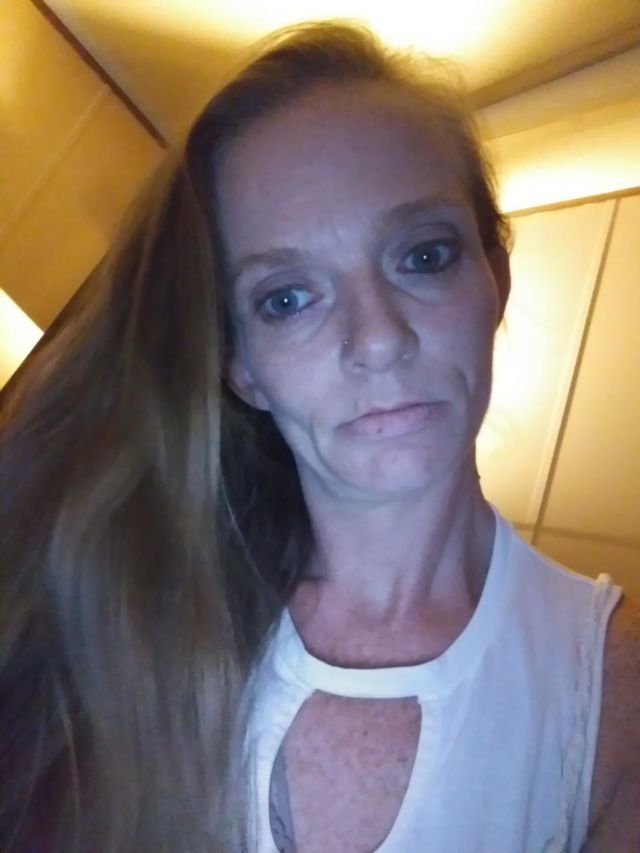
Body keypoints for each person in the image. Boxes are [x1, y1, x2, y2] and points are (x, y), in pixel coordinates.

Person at [0, 20, 638, 853]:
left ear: (496, 279)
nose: (378, 338)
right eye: (288, 298)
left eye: (423, 256)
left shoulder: (613, 686)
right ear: (242, 367)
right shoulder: (122, 617)